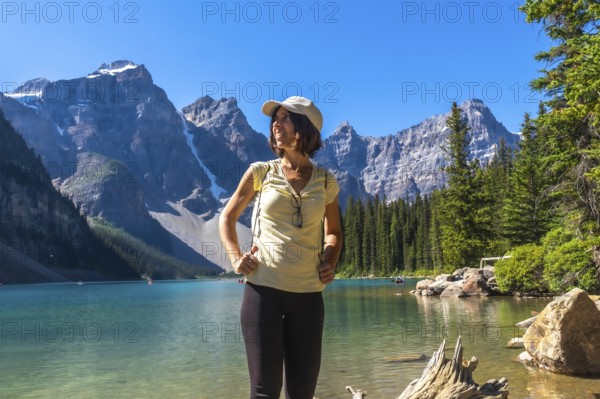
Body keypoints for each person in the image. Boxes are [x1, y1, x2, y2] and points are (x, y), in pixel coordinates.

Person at [219, 96, 343, 399]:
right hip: (262, 293)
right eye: (275, 118)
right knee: (264, 392)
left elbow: (334, 232)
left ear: (306, 128)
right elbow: (228, 217)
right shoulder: (261, 172)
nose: (276, 123)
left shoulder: (326, 182)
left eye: (286, 117)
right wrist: (236, 258)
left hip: (308, 297)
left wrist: (330, 261)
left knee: (302, 393)